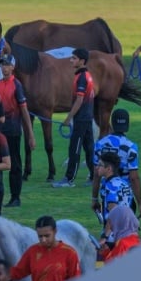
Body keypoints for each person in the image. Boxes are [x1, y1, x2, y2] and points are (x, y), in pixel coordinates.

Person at [0, 54, 36, 207]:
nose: (4, 67)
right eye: (2, 65)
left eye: (7, 65)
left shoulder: (16, 85)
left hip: (13, 131)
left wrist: (30, 135)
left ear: (13, 67)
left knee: (15, 165)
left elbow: (24, 112)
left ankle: (15, 197)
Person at [92, 108, 141, 219]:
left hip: (107, 194)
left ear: (112, 123)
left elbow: (96, 173)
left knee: (109, 226)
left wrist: (94, 198)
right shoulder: (131, 147)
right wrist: (140, 203)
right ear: (127, 124)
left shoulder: (100, 144)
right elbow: (134, 178)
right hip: (125, 196)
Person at [52, 48, 95, 188]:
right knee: (89, 148)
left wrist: (69, 118)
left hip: (81, 118)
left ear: (82, 61)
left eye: (74, 58)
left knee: (74, 149)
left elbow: (79, 100)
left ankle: (69, 179)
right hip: (87, 117)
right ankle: (94, 177)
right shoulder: (86, 75)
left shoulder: (82, 77)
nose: (71, 60)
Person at [10, 215, 81, 281]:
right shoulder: (32, 251)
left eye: (47, 236)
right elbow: (17, 272)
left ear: (55, 231)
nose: (43, 240)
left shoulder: (69, 253)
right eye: (40, 236)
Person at [94, 152, 132, 228]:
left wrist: (105, 235)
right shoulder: (123, 183)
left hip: (114, 233)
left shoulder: (111, 186)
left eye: (100, 165)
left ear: (109, 168)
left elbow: (113, 212)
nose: (97, 167)